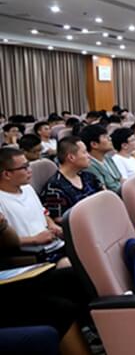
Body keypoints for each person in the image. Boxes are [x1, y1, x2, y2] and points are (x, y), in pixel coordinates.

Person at [0, 215, 92, 355]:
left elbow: (13, 243)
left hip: (8, 276)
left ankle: (106, 339)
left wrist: (3, 226)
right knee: (58, 309)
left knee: (74, 277)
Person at [0, 147, 63, 247]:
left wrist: (51, 224)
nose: (30, 170)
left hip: (50, 244)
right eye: (24, 167)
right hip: (28, 252)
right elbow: (4, 242)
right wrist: (34, 240)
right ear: (7, 174)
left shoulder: (27, 188)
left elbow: (42, 213)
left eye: (28, 165)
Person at [41, 137, 103, 221]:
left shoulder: (90, 177)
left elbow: (104, 199)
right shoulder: (55, 187)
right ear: (71, 157)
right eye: (84, 152)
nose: (89, 156)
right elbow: (60, 219)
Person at [80, 125, 123, 194]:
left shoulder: (107, 158)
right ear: (94, 144)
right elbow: (104, 191)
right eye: (105, 137)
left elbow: (120, 179)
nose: (110, 139)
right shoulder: (89, 166)